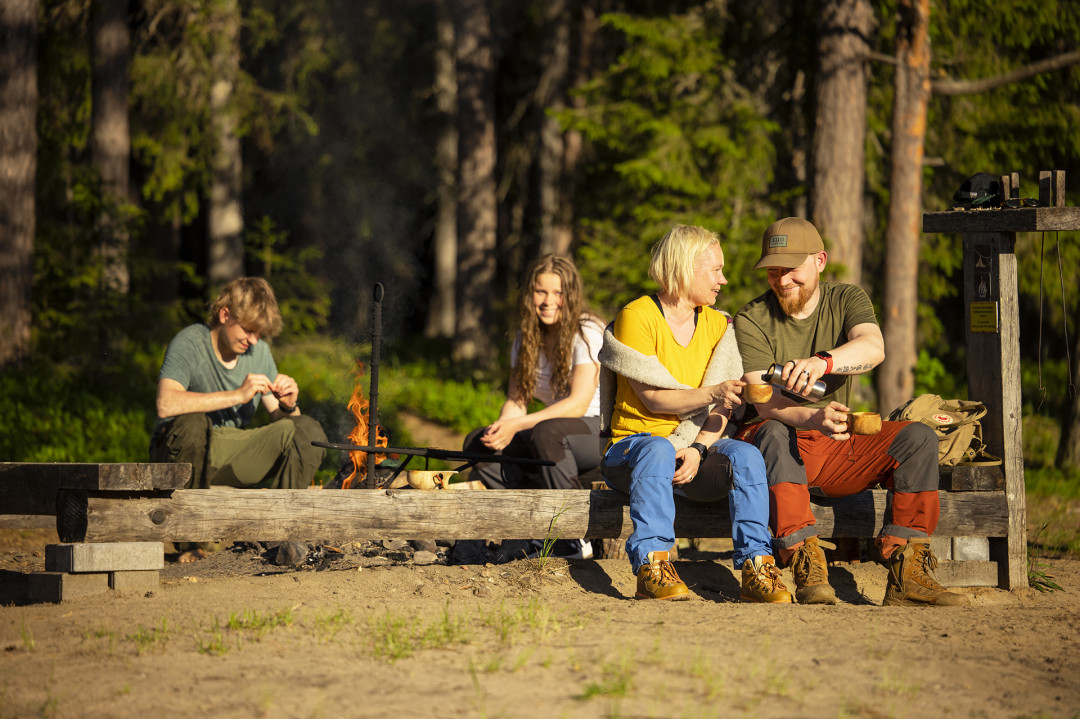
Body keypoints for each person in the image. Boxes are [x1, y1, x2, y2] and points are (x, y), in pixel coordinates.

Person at [733, 217, 967, 607]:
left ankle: (906, 568)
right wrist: (810, 416)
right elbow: (763, 401)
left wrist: (822, 363)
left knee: (917, 437)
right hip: (778, 452)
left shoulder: (847, 298)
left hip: (837, 440)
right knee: (772, 429)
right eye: (773, 270)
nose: (782, 279)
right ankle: (805, 561)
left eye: (792, 269)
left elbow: (873, 347)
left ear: (819, 261)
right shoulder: (751, 319)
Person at [599, 225, 792, 603]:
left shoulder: (720, 326)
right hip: (630, 452)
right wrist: (712, 392)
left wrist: (700, 448)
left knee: (746, 454)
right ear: (685, 268)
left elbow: (725, 407)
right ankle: (652, 566)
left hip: (693, 456)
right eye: (715, 270)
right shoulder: (637, 315)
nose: (723, 279)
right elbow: (655, 399)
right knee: (655, 448)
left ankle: (757, 566)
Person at [462, 254, 605, 559]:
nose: (548, 301)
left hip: (598, 430)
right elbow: (517, 401)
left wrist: (517, 425)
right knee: (478, 443)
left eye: (558, 293)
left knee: (547, 433)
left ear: (571, 295)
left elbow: (578, 404)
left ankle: (573, 537)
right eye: (541, 292)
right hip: (553, 431)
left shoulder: (587, 332)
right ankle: (529, 529)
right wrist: (502, 429)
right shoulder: (525, 338)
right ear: (530, 295)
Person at [150, 276, 327, 506]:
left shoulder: (259, 352)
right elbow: (166, 404)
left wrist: (288, 405)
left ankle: (281, 531)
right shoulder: (190, 341)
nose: (253, 340)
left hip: (232, 451)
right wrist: (238, 395)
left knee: (309, 431)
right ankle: (189, 539)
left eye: (259, 333)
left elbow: (287, 424)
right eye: (248, 330)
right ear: (225, 315)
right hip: (178, 450)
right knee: (194, 423)